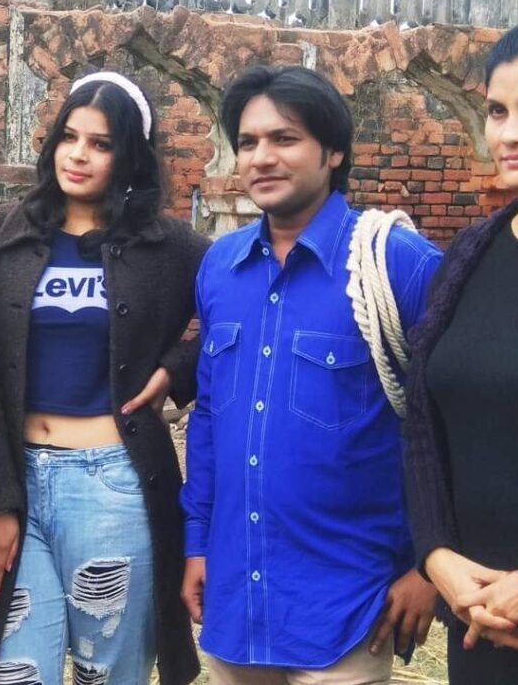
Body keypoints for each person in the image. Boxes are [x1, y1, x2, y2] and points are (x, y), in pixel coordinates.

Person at [182, 65, 441, 684]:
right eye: (248, 142)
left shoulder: (395, 264)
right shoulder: (220, 267)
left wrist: (429, 566)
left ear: (334, 151)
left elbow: (452, 425)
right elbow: (209, 419)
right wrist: (197, 542)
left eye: (285, 138)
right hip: (234, 599)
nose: (262, 158)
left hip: (348, 605)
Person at [0, 71, 208, 685]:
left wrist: (177, 368)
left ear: (129, 157)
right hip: (19, 480)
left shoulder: (169, 246)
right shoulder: (3, 234)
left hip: (113, 485)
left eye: (101, 144)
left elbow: (240, 320)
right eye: (69, 137)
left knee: (107, 675)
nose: (78, 155)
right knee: (16, 672)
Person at [402, 21, 518, 685]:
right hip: (480, 625)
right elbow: (423, 427)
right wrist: (436, 555)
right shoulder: (468, 259)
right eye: (498, 111)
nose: (509, 133)